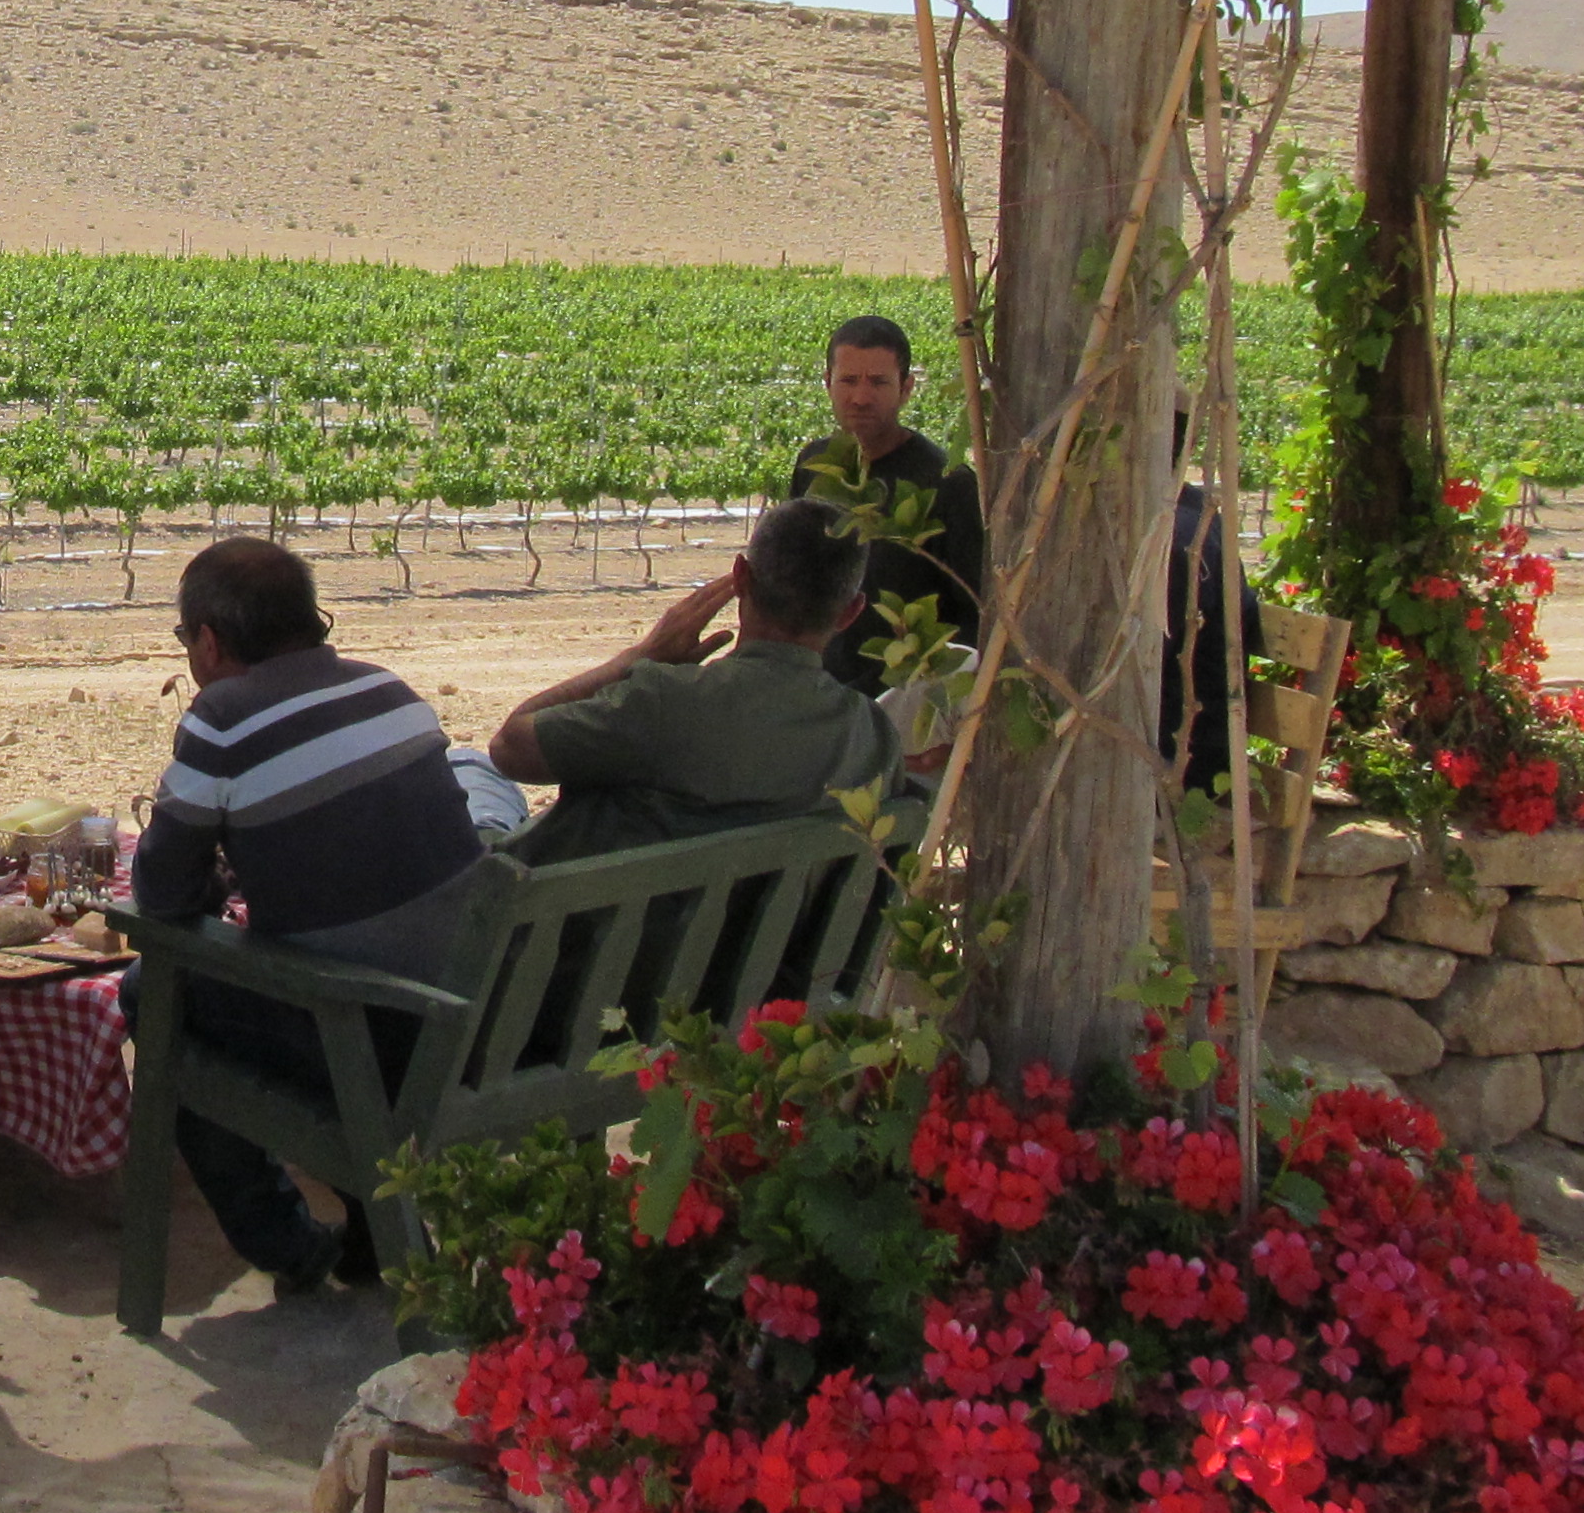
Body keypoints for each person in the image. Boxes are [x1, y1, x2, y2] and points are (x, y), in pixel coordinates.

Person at [126, 538, 491, 1295]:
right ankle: (369, 1228)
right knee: (315, 961)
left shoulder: (222, 719)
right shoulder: (390, 690)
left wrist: (211, 876)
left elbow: (160, 896)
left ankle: (284, 1241)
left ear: (208, 642)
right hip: (473, 1018)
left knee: (151, 992)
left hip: (369, 1040)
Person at [486, 499, 895, 865]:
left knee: (474, 771)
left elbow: (508, 748)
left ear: (740, 578)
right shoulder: (874, 737)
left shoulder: (664, 701)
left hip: (555, 922)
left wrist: (637, 658)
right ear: (851, 611)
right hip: (760, 932)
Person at [784, 314, 986, 698]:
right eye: (848, 380)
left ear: (906, 389)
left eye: (878, 382)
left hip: (899, 703)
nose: (861, 398)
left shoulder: (948, 484)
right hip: (816, 695)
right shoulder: (815, 465)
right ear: (827, 383)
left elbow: (974, 615)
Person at [1161, 413, 1262, 795]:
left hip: (1186, 759)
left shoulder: (1176, 535)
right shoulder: (1192, 509)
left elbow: (1148, 656)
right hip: (1197, 741)